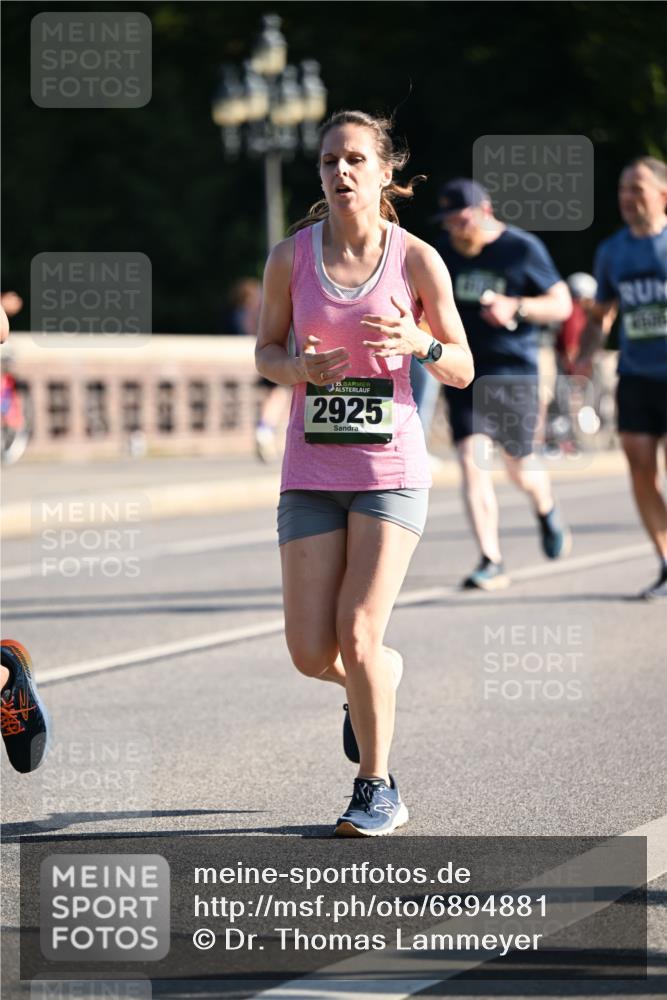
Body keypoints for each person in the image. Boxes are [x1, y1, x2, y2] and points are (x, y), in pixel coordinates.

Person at [255, 110, 473, 836]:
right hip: (309, 468)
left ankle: (376, 787)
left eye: (354, 159)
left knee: (355, 630)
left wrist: (420, 341)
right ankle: (379, 672)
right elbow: (264, 352)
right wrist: (296, 368)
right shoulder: (290, 257)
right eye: (327, 162)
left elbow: (464, 366)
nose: (339, 172)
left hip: (390, 469)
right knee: (310, 652)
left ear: (385, 173)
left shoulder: (415, 261)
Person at [433, 178, 573, 590]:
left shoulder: (522, 248)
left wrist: (519, 305)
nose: (457, 231)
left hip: (514, 370)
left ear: (485, 211)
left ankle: (545, 507)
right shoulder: (442, 254)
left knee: (518, 467)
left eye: (463, 222)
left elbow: (561, 303)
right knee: (470, 461)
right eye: (450, 224)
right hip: (465, 371)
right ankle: (490, 559)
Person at [577, 156, 667, 599]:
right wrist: (582, 359)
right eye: (622, 189)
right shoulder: (612, 251)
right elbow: (603, 314)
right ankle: (666, 561)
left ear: (662, 194)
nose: (627, 198)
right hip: (636, 374)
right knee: (640, 467)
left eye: (637, 188)